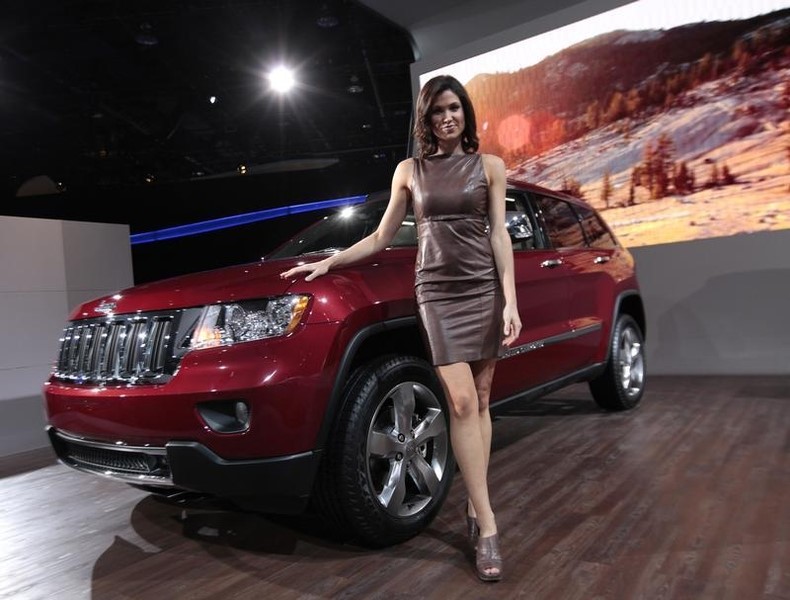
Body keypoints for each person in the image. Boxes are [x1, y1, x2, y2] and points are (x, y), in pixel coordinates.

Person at [280, 74, 521, 582]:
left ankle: (476, 506)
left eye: (454, 108)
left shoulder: (491, 167)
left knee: (480, 397)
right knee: (457, 401)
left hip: (483, 288)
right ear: (426, 119)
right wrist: (330, 262)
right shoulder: (409, 171)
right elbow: (381, 235)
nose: (447, 117)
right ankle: (489, 521)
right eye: (437, 111)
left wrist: (511, 302)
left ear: (466, 113)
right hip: (436, 290)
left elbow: (499, 234)